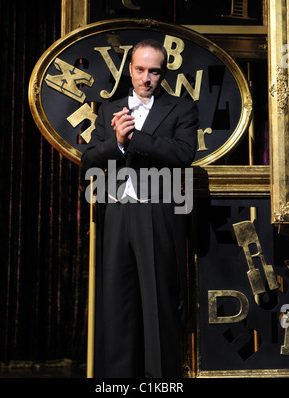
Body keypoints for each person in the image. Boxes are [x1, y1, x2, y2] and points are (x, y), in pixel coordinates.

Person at [82, 39, 198, 378]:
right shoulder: (109, 109)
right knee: (118, 304)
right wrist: (116, 141)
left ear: (162, 74)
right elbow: (88, 159)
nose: (145, 78)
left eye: (154, 71)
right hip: (117, 213)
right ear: (129, 69)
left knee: (158, 304)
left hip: (156, 212)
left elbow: (182, 153)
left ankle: (160, 381)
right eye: (139, 69)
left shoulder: (181, 108)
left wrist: (135, 137)